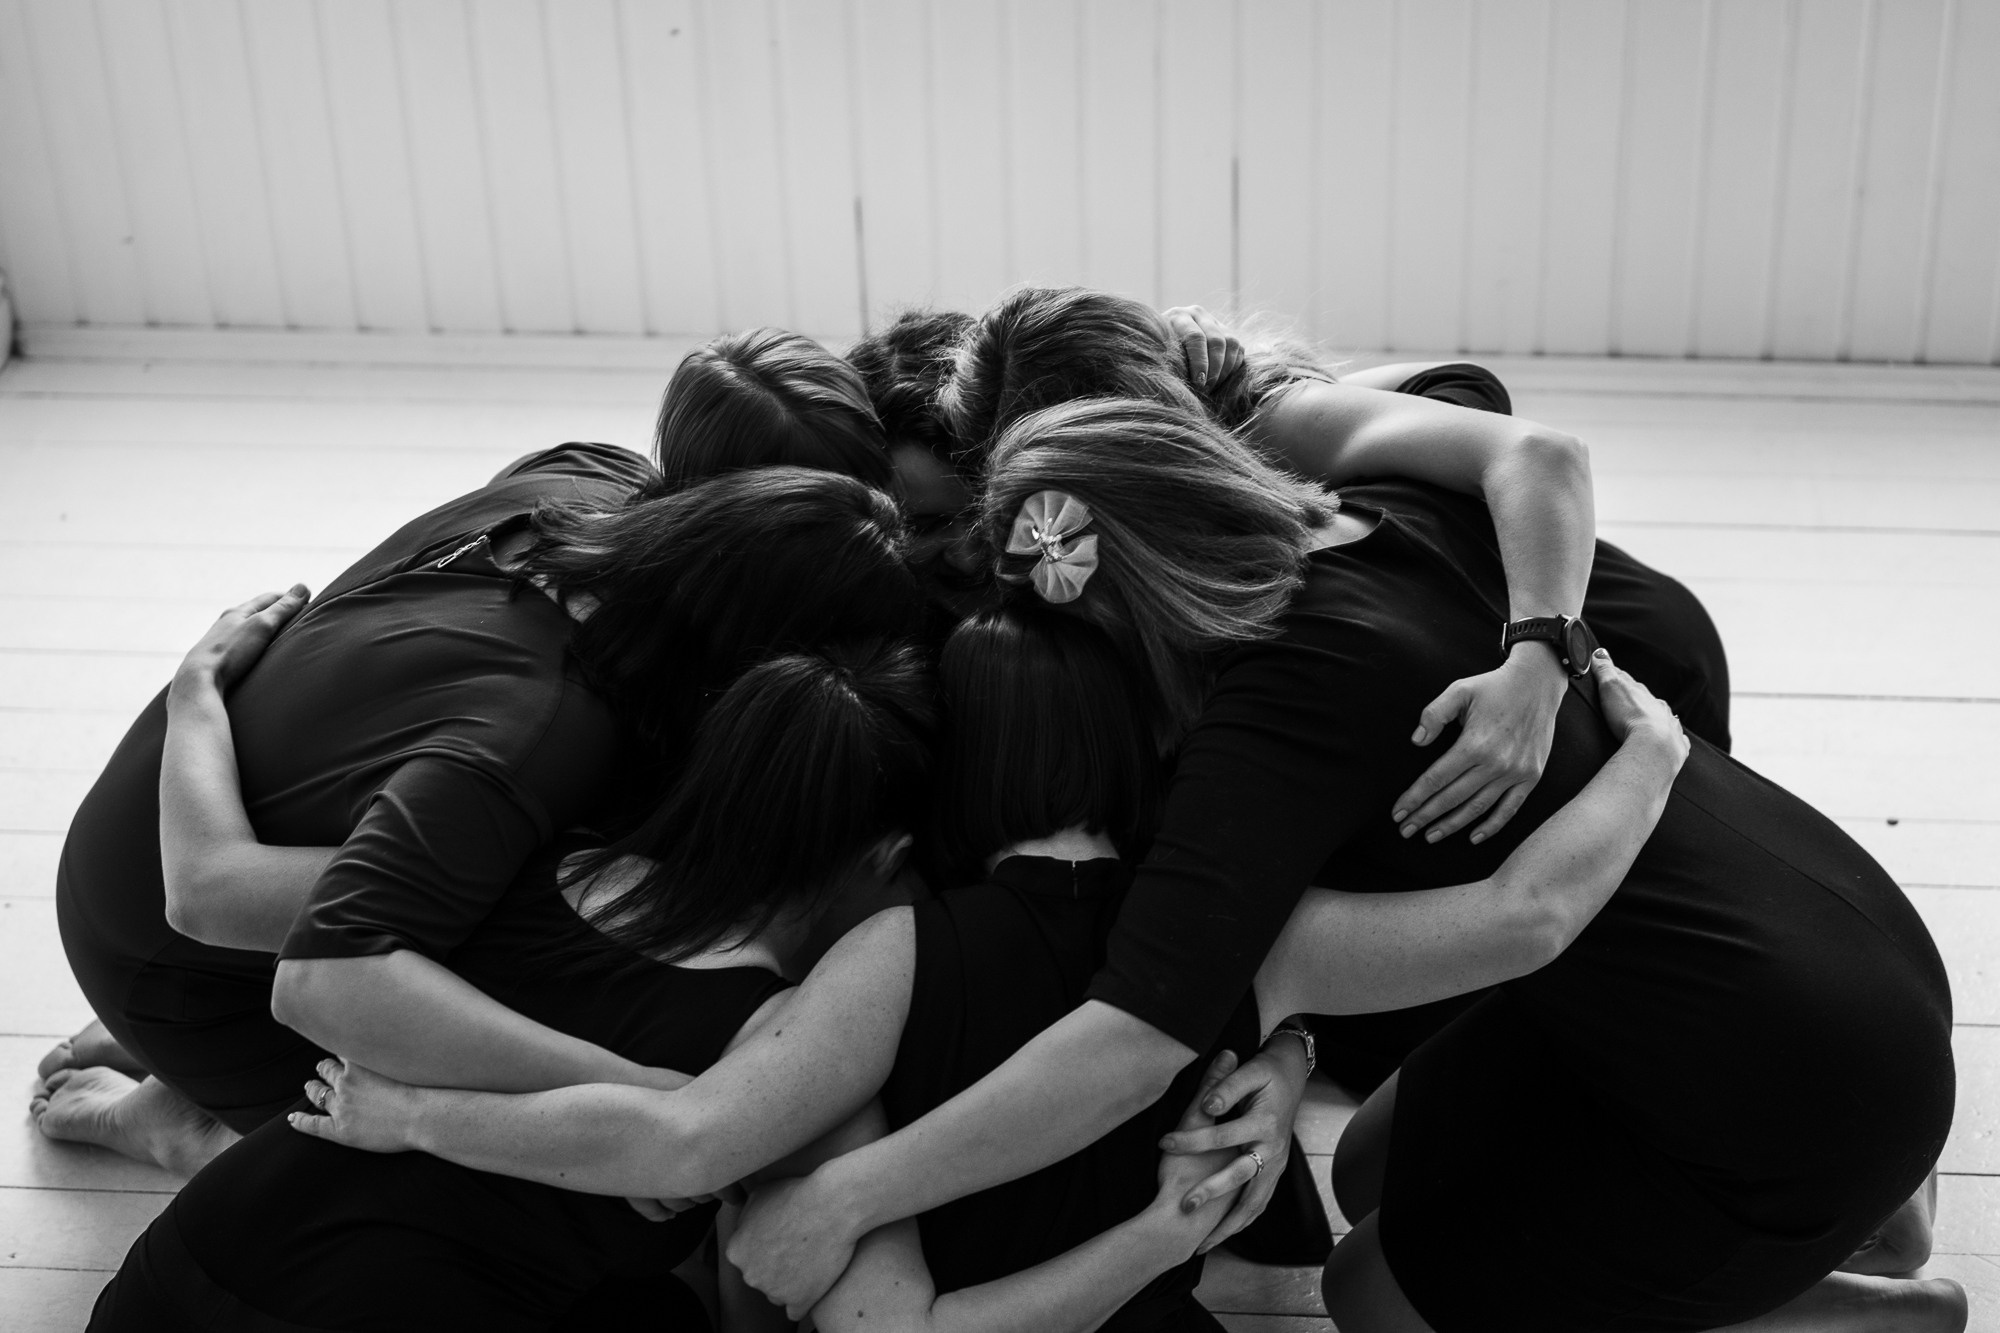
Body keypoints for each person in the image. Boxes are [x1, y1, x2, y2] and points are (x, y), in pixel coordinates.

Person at [723, 399, 1960, 1333]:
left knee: (1370, 1294)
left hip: (1796, 1084)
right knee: (1367, 1163)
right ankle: (1851, 1220)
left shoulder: (1267, 719)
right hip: (1817, 925)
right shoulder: (1381, 519)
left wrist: (845, 1195)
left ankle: (1845, 1299)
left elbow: (1130, 1045)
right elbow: (1531, 454)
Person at [290, 602, 1695, 1331]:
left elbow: (698, 1155)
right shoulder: (1243, 935)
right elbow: (1524, 915)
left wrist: (411, 1114)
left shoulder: (884, 955)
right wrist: (1652, 755)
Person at [32, 411, 917, 1175]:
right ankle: (195, 1121)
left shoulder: (596, 478)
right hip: (174, 943)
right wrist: (638, 1095)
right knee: (538, 1130)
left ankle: (180, 1059)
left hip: (160, 800)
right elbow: (284, 949)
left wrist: (194, 693)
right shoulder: (544, 732)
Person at [85, 625, 937, 1331]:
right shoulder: (774, 1045)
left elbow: (224, 895)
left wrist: (193, 694)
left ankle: (186, 1131)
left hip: (171, 1277)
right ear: (885, 856)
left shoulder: (520, 862)